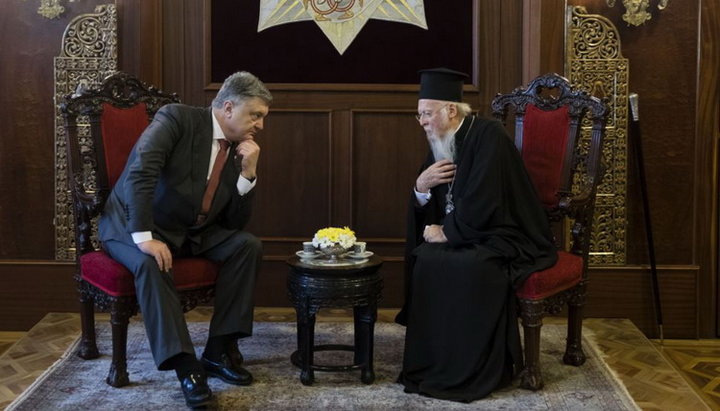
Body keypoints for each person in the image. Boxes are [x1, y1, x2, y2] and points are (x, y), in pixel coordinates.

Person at [99, 71, 272, 408]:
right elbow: (141, 172)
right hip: (129, 224)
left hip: (190, 231)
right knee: (151, 262)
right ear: (227, 108)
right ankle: (186, 367)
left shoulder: (242, 148)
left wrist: (248, 174)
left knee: (246, 246)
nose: (261, 125)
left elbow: (234, 223)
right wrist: (144, 236)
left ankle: (219, 352)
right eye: (256, 115)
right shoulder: (176, 118)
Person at [396, 68, 558, 402]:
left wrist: (449, 233)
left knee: (470, 266)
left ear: (450, 111)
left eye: (426, 114)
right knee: (425, 260)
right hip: (464, 233)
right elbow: (430, 199)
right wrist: (420, 187)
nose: (422, 121)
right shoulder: (441, 143)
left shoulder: (489, 136)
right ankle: (432, 365)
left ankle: (477, 369)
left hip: (502, 233)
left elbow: (489, 201)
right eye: (420, 115)